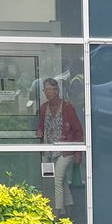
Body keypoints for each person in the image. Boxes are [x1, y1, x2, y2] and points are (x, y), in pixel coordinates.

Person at [35, 78, 84, 215]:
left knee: (57, 180)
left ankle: (56, 213)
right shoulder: (44, 107)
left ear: (57, 91)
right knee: (59, 180)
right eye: (46, 90)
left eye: (51, 90)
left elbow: (78, 130)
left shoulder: (67, 108)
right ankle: (69, 207)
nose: (48, 93)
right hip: (48, 149)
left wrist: (79, 153)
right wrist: (39, 131)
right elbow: (41, 125)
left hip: (65, 150)